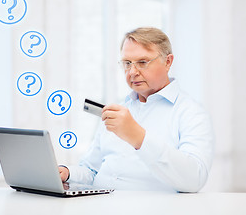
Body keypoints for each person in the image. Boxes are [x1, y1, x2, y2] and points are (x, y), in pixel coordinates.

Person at [59, 27, 214, 192]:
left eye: (142, 62)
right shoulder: (119, 109)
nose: (132, 72)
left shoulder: (191, 113)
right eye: (127, 63)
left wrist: (139, 138)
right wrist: (67, 173)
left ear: (168, 62)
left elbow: (194, 180)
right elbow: (91, 169)